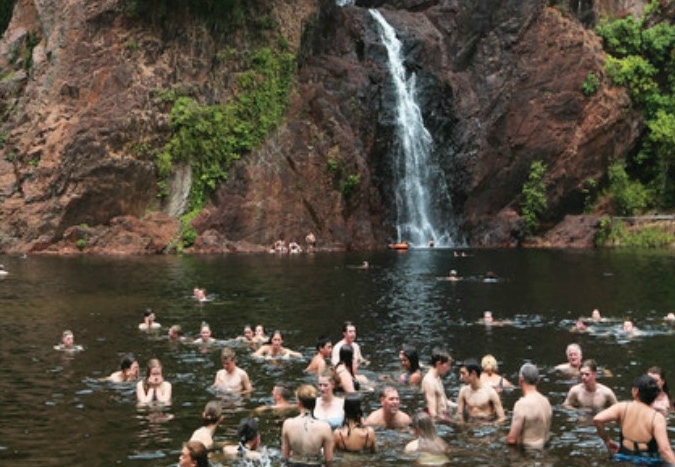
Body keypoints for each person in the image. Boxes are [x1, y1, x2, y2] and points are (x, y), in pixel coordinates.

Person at [594, 374, 675, 464]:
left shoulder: (622, 407)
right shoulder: (657, 418)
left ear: (635, 391)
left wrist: (607, 441)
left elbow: (597, 419)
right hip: (648, 462)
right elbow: (665, 450)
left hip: (622, 457)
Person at [281, 384, 334, 465]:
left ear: (299, 403)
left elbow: (285, 457)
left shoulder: (288, 424)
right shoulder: (325, 427)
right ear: (315, 403)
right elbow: (329, 460)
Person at [506, 363, 552, 449]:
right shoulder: (546, 401)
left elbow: (512, 439)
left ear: (520, 379)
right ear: (538, 380)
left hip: (527, 455)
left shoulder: (522, 404)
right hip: (545, 452)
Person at [456, 358, 506, 422]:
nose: (461, 377)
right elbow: (459, 414)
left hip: (487, 426)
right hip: (471, 424)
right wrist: (463, 427)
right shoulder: (463, 391)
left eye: (463, 373)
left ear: (473, 373)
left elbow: (502, 418)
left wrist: (491, 425)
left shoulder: (490, 393)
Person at [421, 347, 455, 420]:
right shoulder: (429, 382)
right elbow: (432, 413)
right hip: (440, 421)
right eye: (448, 365)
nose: (449, 368)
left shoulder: (437, 378)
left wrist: (459, 405)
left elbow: (444, 401)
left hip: (444, 416)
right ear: (438, 364)